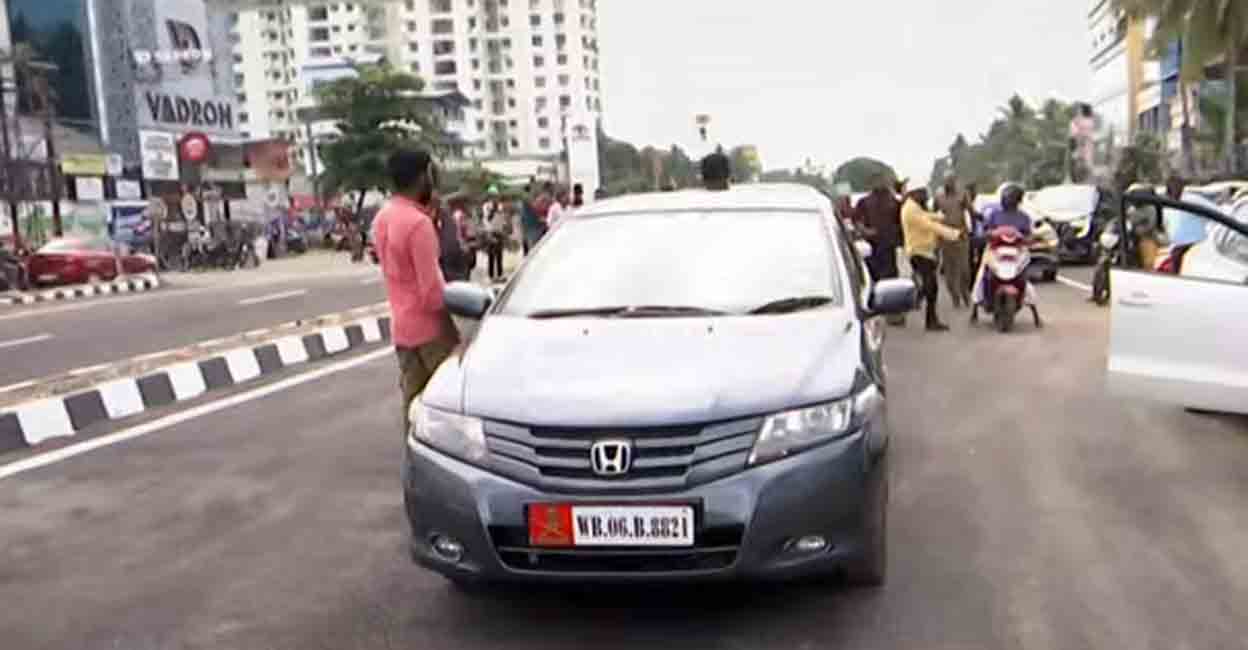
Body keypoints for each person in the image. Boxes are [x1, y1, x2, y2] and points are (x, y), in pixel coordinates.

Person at [371, 149, 459, 428]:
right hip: (430, 330)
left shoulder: (383, 217)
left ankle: (414, 458)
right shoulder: (418, 224)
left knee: (413, 405)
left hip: (402, 329)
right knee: (450, 406)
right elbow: (432, 293)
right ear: (423, 177)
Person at [901, 185, 962, 331]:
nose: (926, 196)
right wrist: (954, 234)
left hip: (924, 251)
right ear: (914, 193)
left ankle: (926, 313)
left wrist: (941, 216)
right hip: (919, 252)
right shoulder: (910, 209)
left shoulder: (914, 207)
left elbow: (927, 216)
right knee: (931, 288)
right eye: (923, 193)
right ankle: (930, 320)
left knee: (929, 287)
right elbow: (928, 225)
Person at [935, 176, 972, 308]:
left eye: (951, 181)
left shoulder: (962, 195)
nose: (949, 184)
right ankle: (955, 297)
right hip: (945, 237)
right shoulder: (939, 197)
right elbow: (934, 215)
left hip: (961, 235)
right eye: (946, 182)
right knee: (949, 271)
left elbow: (970, 211)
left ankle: (965, 294)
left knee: (964, 269)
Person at [481, 186, 507, 281]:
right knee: (491, 254)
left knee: (499, 254)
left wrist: (504, 228)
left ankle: (500, 274)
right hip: (490, 232)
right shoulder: (486, 206)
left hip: (499, 232)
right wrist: (493, 209)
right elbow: (488, 218)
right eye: (493, 196)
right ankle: (491, 275)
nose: (495, 197)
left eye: (496, 196)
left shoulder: (500, 206)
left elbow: (502, 218)